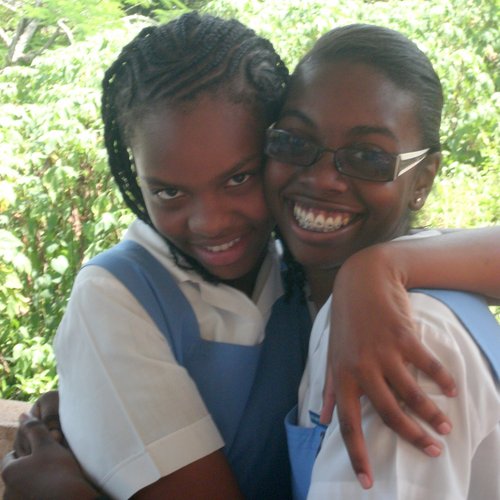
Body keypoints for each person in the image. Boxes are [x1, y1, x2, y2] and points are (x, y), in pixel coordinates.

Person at [3, 13, 500, 500]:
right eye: (170, 192)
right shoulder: (118, 296)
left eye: (238, 177)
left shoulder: (374, 313)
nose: (211, 222)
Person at [262, 23, 500, 498]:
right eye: (294, 141)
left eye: (369, 157)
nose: (324, 178)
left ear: (423, 179)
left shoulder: (405, 343)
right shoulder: (291, 286)